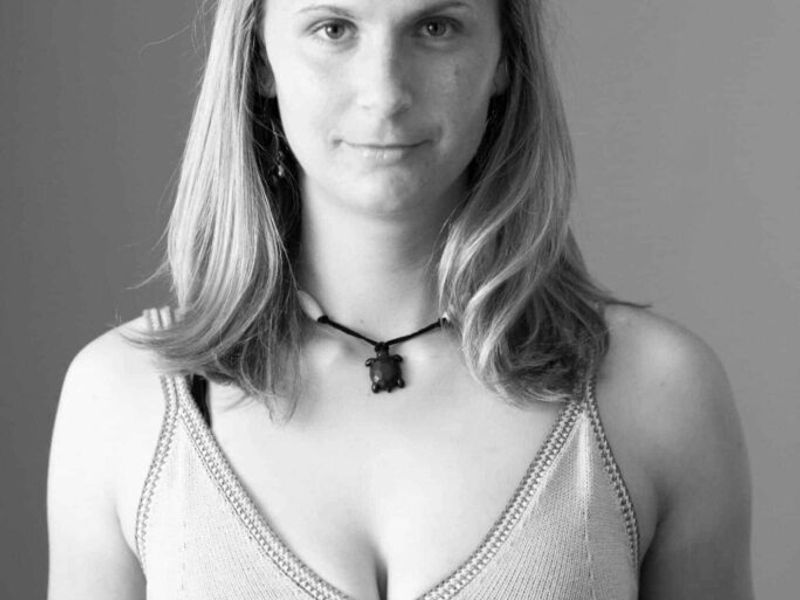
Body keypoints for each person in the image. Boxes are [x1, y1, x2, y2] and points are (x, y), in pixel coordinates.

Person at [47, 0, 753, 598]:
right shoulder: (121, 399)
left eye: (436, 27)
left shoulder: (658, 390)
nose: (384, 93)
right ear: (260, 60)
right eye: (333, 28)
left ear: (504, 60)